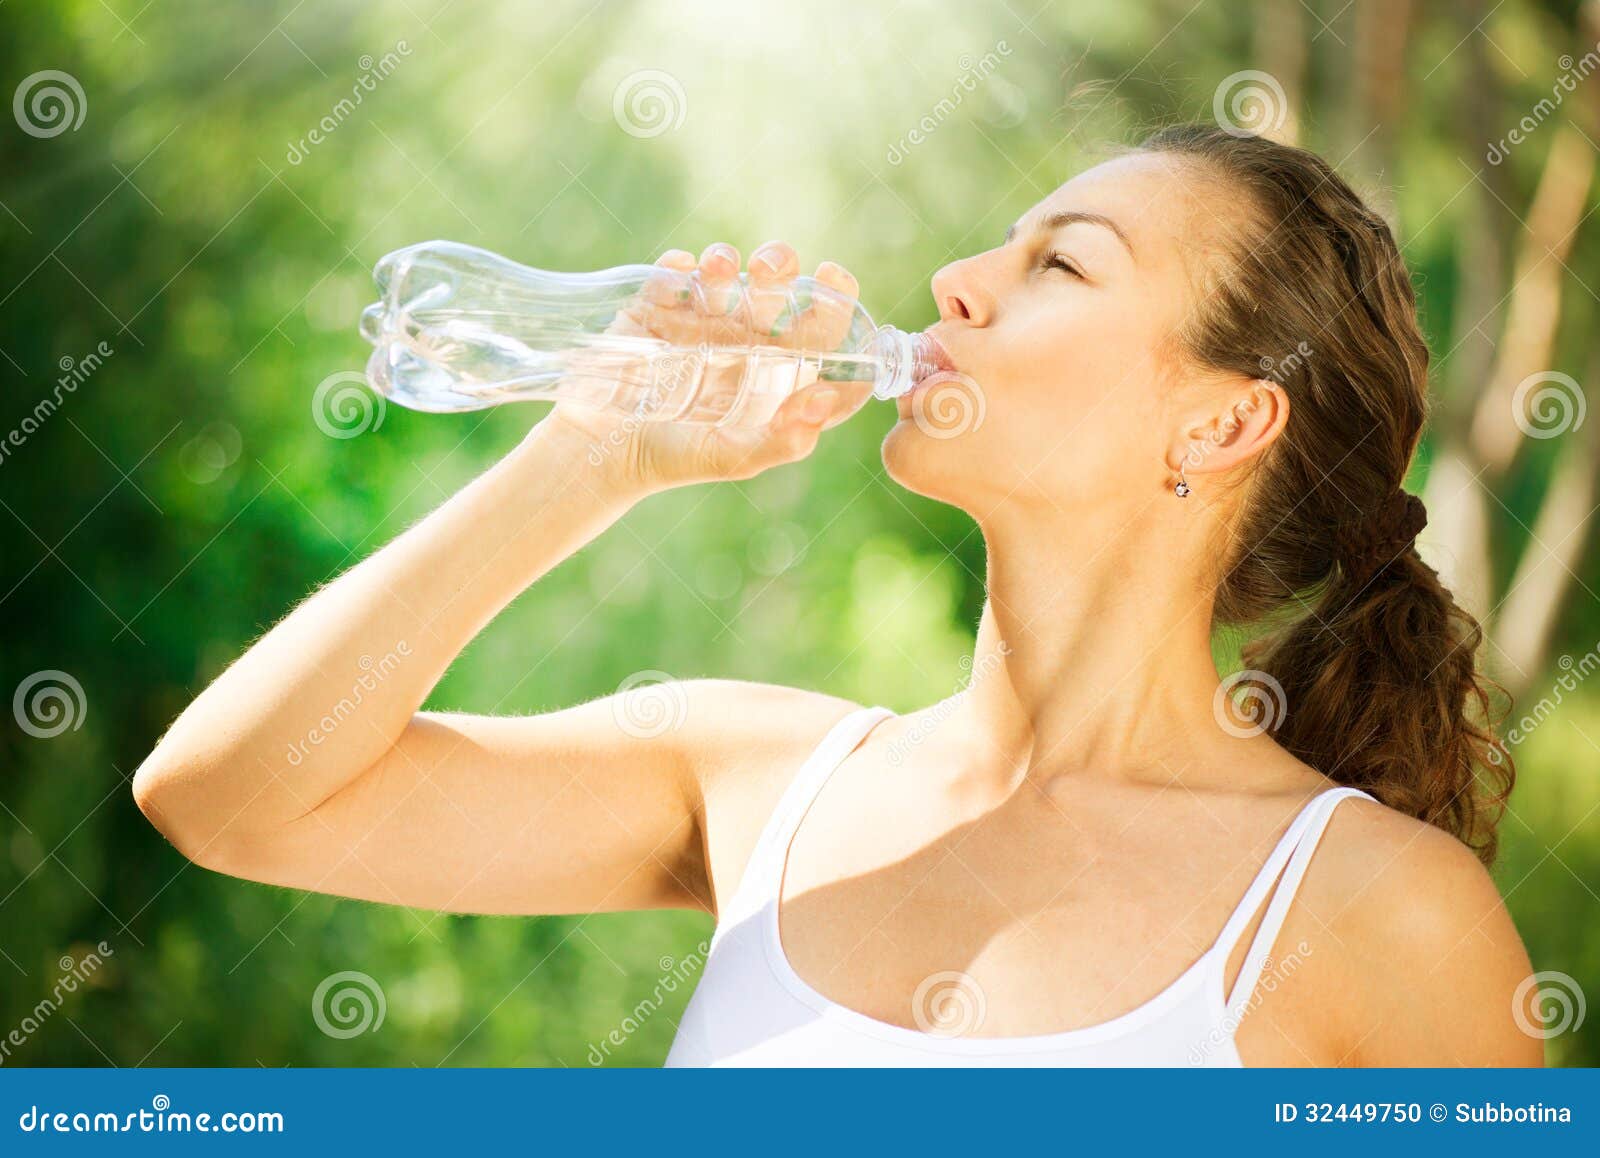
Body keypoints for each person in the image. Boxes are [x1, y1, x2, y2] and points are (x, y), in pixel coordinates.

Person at [133, 126, 1540, 1067]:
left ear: (1223, 425)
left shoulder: (1375, 909)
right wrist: (587, 461)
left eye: (1060, 262)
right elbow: (229, 796)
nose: (956, 284)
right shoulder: (749, 777)